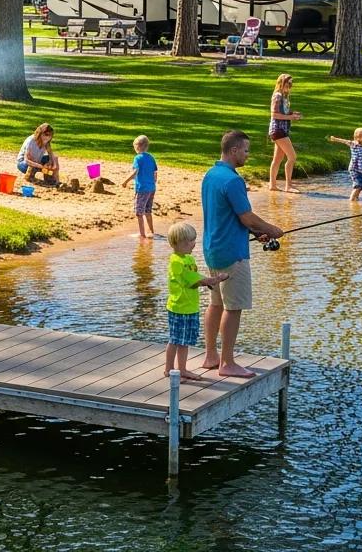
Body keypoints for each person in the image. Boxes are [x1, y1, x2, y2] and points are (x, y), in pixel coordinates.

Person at [201, 130, 284, 378]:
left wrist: (257, 233)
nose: (247, 155)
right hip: (232, 253)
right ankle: (227, 363)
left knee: (215, 304)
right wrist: (272, 229)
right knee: (233, 307)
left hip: (212, 248)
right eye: (246, 150)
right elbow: (246, 216)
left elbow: (228, 215)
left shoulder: (211, 175)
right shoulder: (233, 181)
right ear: (234, 150)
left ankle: (210, 356)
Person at [164, 221, 229, 380]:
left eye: (193, 240)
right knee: (176, 340)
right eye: (188, 241)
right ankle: (172, 369)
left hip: (190, 307)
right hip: (179, 307)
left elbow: (196, 279)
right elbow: (192, 280)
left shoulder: (189, 259)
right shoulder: (176, 262)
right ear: (177, 243)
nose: (193, 244)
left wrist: (208, 281)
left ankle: (180, 369)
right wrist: (214, 280)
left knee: (184, 340)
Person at [268, 73, 303, 193]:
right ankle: (288, 185)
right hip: (278, 130)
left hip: (281, 130)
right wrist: (290, 117)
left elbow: (283, 112)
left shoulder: (284, 96)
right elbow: (274, 114)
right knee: (292, 157)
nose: (289, 86)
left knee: (277, 159)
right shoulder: (277, 96)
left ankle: (272, 185)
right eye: (287, 84)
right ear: (281, 83)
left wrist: (293, 114)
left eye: (291, 84)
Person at [121, 134, 158, 239]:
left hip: (142, 188)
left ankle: (142, 234)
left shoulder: (138, 158)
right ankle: (151, 231)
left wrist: (125, 181)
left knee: (139, 212)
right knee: (148, 210)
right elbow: (155, 173)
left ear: (138, 146)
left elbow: (135, 172)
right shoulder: (151, 157)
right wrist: (153, 183)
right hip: (151, 188)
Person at [329, 128, 362, 201]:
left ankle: (356, 198)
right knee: (358, 185)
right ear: (357, 137)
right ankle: (351, 200)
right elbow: (345, 141)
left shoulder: (361, 146)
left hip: (359, 170)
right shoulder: (354, 144)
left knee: (361, 186)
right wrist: (335, 139)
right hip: (354, 169)